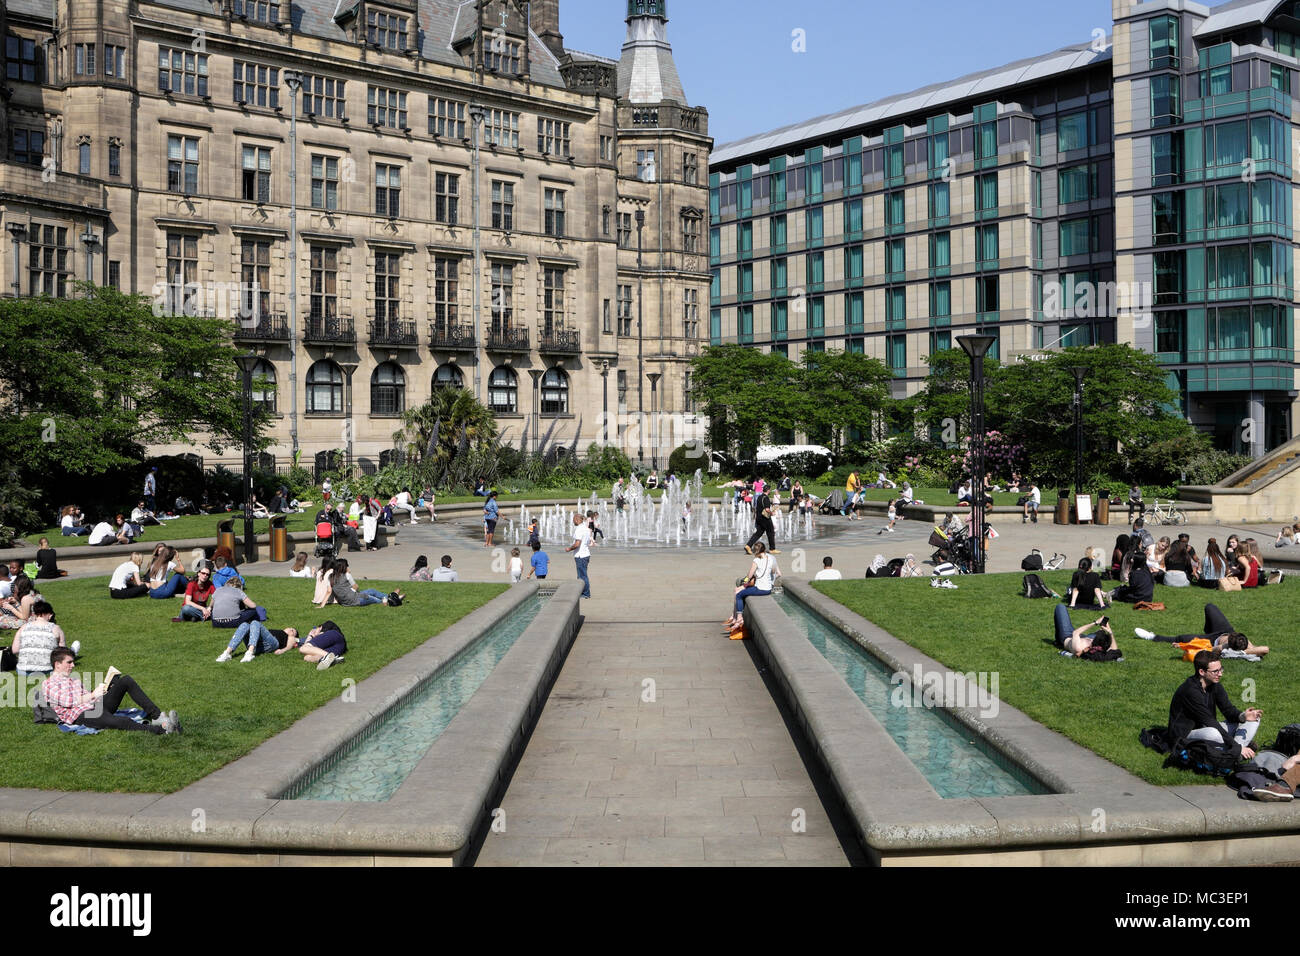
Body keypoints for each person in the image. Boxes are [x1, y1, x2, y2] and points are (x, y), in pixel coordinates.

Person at [42, 648, 180, 734]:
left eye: (73, 662)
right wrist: (93, 694)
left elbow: (88, 697)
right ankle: (163, 729)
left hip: (95, 706)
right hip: (81, 715)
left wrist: (105, 691)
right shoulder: (49, 684)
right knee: (122, 721)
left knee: (125, 681)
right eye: (69, 662)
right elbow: (69, 702)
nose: (73, 665)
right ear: (57, 664)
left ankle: (157, 716)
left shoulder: (74, 680)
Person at [1168, 650, 1262, 760]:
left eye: (1221, 669)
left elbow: (1228, 710)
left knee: (1254, 719)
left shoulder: (1214, 685)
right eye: (1215, 671)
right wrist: (1237, 746)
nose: (1220, 674)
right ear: (1202, 672)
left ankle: (1234, 754)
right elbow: (1210, 721)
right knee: (1214, 733)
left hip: (1207, 728)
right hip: (1185, 735)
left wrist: (1243, 716)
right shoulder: (1190, 691)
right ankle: (1237, 750)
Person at [1133, 602, 1269, 657]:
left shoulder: (1223, 648)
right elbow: (1265, 649)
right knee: (1210, 607)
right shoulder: (1243, 642)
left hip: (1210, 641)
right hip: (1224, 630)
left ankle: (1151, 636)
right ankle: (1208, 630)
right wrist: (1248, 650)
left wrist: (1184, 645)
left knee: (1180, 638)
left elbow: (1205, 650)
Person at [723, 542, 779, 631]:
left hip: (760, 589)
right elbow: (773, 572)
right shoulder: (770, 559)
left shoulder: (756, 560)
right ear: (764, 549)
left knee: (739, 595)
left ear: (755, 551)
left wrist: (745, 582)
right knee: (742, 592)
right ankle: (735, 618)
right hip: (768, 588)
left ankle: (739, 618)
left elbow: (749, 576)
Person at [12, 601, 67, 677]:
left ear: (34, 614)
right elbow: (63, 652)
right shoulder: (55, 628)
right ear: (50, 615)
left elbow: (15, 650)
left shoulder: (23, 627)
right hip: (47, 670)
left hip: (23, 671)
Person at [1052, 605, 1117, 657]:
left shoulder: (1079, 647)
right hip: (1085, 637)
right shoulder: (1103, 647)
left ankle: (1058, 640)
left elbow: (1076, 632)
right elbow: (1115, 650)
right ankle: (1099, 633)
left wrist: (1095, 623)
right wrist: (1110, 632)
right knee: (1100, 631)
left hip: (1068, 636)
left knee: (1060, 607)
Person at [331, 559, 402, 606]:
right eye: (347, 566)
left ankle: (390, 596)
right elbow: (356, 587)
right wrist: (352, 593)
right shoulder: (347, 575)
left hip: (344, 602)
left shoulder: (331, 576)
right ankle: (391, 599)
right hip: (355, 600)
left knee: (371, 591)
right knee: (374, 599)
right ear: (344, 567)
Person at [566, 512, 593, 599]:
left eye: (573, 519)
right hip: (585, 554)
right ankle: (583, 592)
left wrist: (569, 549)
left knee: (582, 576)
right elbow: (588, 542)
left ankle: (585, 593)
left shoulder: (579, 529)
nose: (573, 521)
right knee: (582, 575)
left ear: (577, 520)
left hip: (581, 555)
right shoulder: (586, 528)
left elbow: (577, 544)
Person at [745, 485, 778, 554]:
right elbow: (767, 509)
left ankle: (748, 545)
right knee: (771, 532)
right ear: (768, 490)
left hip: (759, 518)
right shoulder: (766, 498)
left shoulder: (759, 497)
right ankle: (772, 549)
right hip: (765, 518)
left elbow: (757, 508)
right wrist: (772, 513)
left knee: (758, 533)